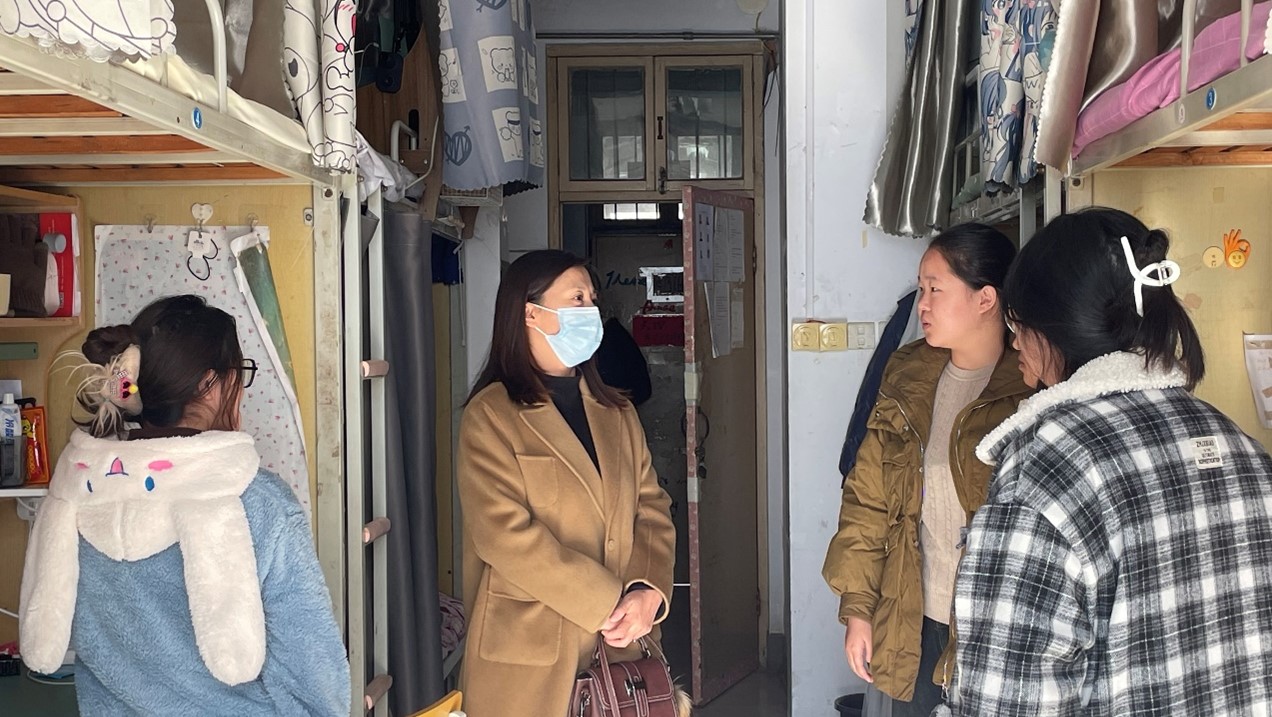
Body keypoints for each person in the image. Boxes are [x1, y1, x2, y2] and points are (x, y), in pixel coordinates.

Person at [948, 208, 1272, 714]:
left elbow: (1005, 699)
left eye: (1016, 323)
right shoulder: (1243, 449)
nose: (1013, 341)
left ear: (1051, 328)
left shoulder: (1044, 471)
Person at [19, 295, 349, 716]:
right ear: (211, 385)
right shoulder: (260, 504)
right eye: (239, 375)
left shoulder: (73, 498)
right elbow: (315, 684)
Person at [456, 250, 676, 717]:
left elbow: (652, 506)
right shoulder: (491, 416)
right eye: (577, 299)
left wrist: (649, 590)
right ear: (530, 313)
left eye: (592, 300)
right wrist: (608, 601)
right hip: (528, 661)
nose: (590, 311)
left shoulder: (617, 412)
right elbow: (503, 535)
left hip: (620, 649)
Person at [822, 224, 1031, 714]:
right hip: (914, 618)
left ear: (985, 299)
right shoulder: (908, 373)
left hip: (996, 625)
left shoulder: (1030, 386)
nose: (922, 305)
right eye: (921, 289)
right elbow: (868, 500)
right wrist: (858, 609)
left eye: (936, 289)